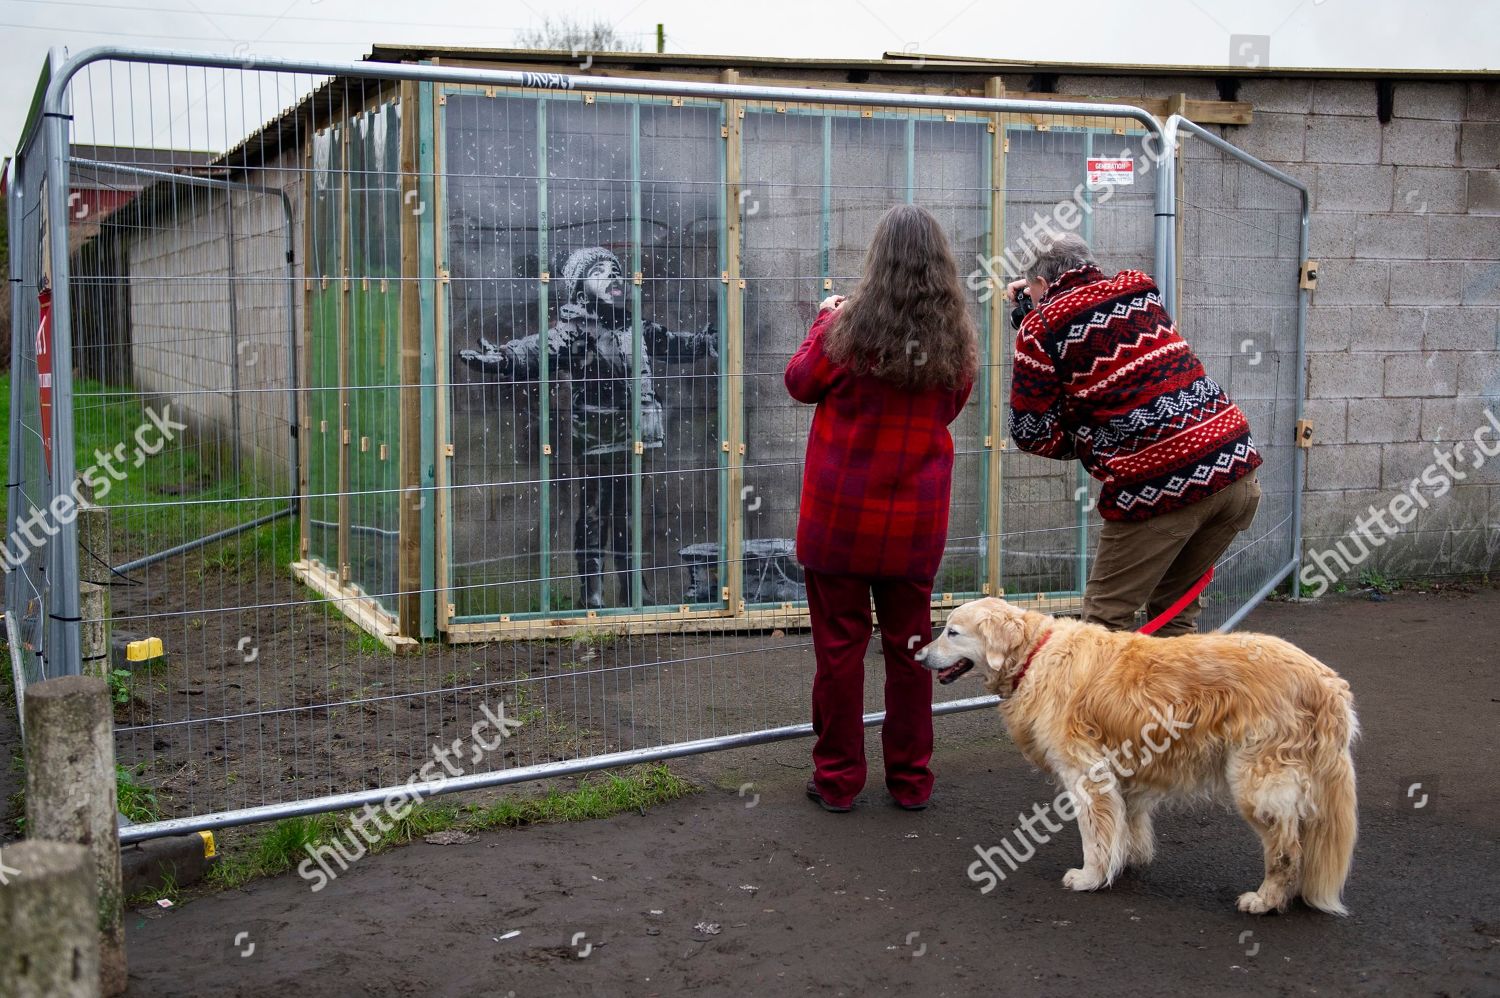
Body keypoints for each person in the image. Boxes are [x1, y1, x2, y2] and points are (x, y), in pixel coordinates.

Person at [785, 203, 978, 813]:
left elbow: (798, 383)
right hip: (912, 528)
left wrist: (821, 322)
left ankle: (839, 783)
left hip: (838, 523)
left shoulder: (844, 334)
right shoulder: (953, 341)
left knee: (839, 653)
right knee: (911, 650)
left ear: (876, 261)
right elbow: (949, 408)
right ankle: (912, 781)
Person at [1006, 232, 1262, 636]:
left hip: (1163, 486)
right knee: (1172, 613)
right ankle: (1180, 701)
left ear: (1038, 284)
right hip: (1235, 469)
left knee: (1104, 625)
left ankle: (1101, 703)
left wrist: (1096, 439)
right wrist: (1039, 314)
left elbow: (1031, 432)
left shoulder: (1041, 327)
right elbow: (1101, 341)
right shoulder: (1138, 289)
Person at [460, 245, 717, 609]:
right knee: (595, 512)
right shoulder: (576, 330)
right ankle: (591, 593)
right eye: (600, 271)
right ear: (580, 291)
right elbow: (541, 349)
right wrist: (505, 357)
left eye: (616, 269)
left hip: (636, 438)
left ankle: (633, 591)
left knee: (627, 514)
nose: (614, 275)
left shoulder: (635, 325)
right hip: (598, 438)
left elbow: (675, 344)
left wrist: (707, 341)